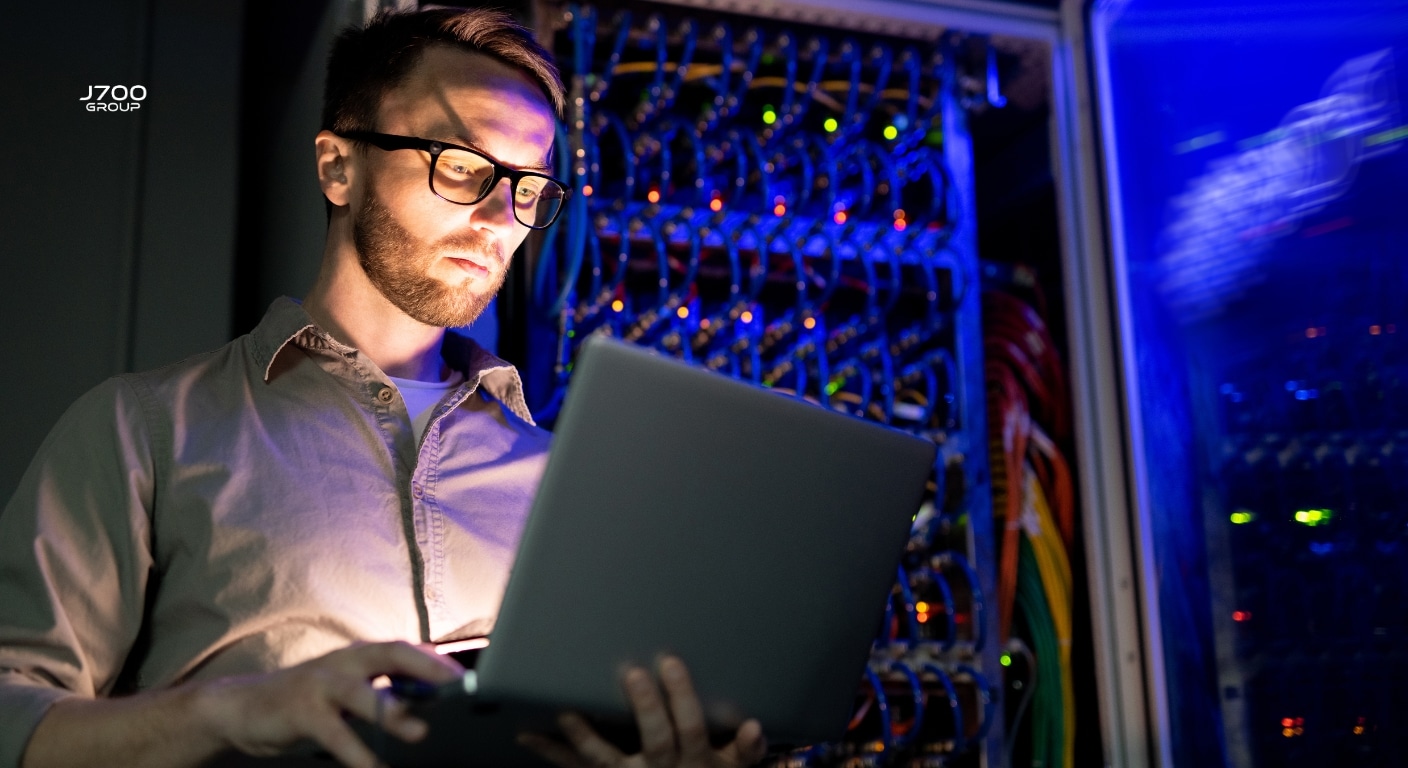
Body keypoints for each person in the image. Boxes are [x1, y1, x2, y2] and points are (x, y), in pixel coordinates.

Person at [0, 9, 766, 768]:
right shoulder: (147, 431)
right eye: (463, 165)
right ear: (338, 166)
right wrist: (234, 711)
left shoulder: (565, 485)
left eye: (529, 186)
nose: (500, 219)